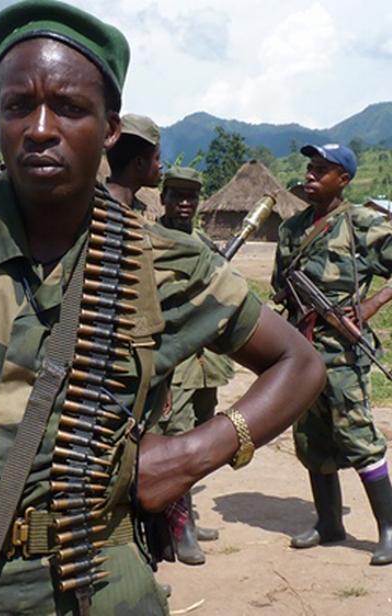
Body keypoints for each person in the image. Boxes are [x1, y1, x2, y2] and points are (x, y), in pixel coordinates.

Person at [0, 2, 325, 613]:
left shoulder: (161, 261)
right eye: (17, 106)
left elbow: (300, 364)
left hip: (92, 572)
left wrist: (194, 454)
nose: (39, 128)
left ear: (110, 129)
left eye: (70, 108)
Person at [274, 142, 392, 566]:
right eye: (309, 167)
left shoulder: (361, 224)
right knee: (311, 437)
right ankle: (328, 523)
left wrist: (370, 305)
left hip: (342, 351)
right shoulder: (291, 230)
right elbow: (279, 288)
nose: (310, 175)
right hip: (301, 349)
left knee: (358, 436)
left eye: (321, 170)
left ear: (343, 179)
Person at [153, 166, 236, 566]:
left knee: (202, 440)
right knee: (178, 441)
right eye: (177, 195)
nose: (184, 203)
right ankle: (179, 531)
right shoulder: (152, 241)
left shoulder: (202, 242)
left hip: (206, 362)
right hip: (176, 361)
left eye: (191, 196)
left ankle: (189, 519)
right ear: (163, 199)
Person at [104, 113, 162, 213]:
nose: (160, 165)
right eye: (157, 158)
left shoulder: (138, 209)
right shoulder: (96, 204)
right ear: (139, 163)